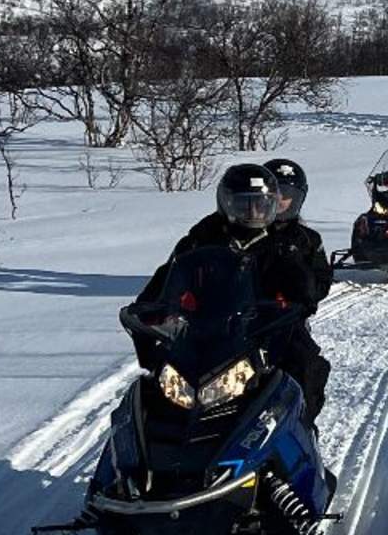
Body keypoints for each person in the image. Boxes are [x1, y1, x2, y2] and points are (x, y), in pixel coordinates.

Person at [136, 163, 332, 434]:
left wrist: (293, 297)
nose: (252, 212)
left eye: (260, 205)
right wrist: (154, 310)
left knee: (305, 363)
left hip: (269, 325)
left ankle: (300, 428)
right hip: (207, 324)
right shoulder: (204, 235)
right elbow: (171, 275)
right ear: (226, 203)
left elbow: (307, 290)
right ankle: (153, 439)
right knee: (162, 378)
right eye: (243, 205)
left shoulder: (286, 241)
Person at [264, 157, 333, 433]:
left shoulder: (307, 239)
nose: (280, 201)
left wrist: (297, 272)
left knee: (306, 366)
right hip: (234, 317)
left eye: (287, 195)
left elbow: (320, 284)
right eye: (275, 194)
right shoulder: (240, 232)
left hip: (283, 322)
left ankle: (302, 428)